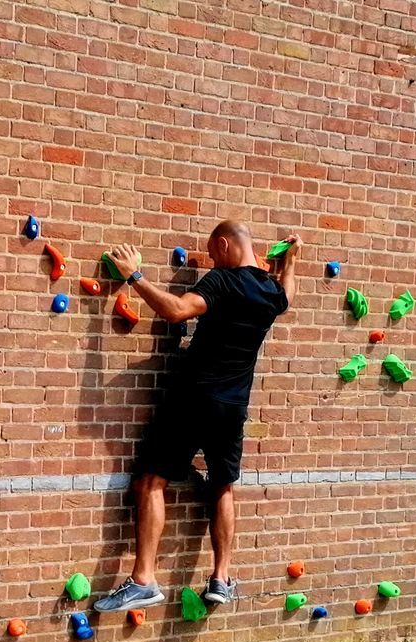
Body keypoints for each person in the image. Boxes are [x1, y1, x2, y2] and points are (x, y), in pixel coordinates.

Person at [91, 222, 297, 613]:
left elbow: (178, 310)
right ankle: (221, 577)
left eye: (214, 252)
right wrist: (291, 262)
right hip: (233, 407)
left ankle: (144, 580)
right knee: (222, 486)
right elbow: (287, 295)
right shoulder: (270, 292)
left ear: (223, 245)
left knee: (151, 481)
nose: (213, 260)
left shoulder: (223, 281)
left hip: (193, 398)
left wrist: (134, 275)